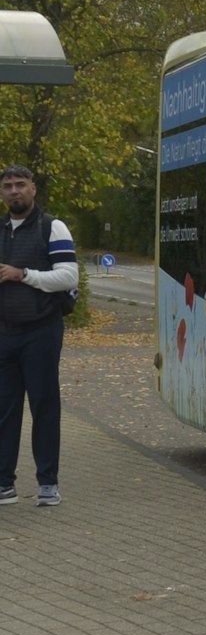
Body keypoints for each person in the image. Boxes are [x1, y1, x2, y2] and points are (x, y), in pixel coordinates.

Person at [0, 165, 77, 507]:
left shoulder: (52, 227)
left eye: (20, 184)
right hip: (4, 333)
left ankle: (48, 483)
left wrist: (23, 274)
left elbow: (67, 277)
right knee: (4, 411)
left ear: (33, 189)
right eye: (7, 186)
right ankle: (4, 484)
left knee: (44, 406)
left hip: (41, 331)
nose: (14, 191)